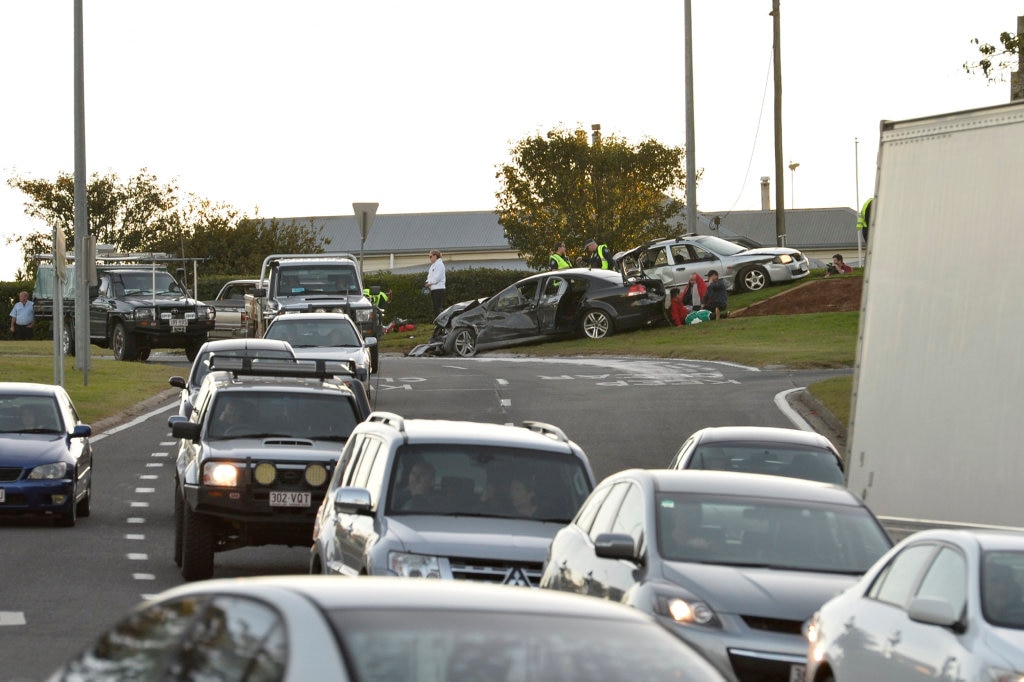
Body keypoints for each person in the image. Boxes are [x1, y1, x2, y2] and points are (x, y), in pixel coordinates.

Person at [424, 249, 446, 319]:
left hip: (439, 289)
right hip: (433, 289)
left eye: (430, 256)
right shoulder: (433, 265)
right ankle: (438, 323)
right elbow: (430, 276)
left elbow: (437, 278)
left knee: (438, 308)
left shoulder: (440, 264)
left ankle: (441, 324)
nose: (429, 258)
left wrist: (429, 283)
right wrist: (427, 282)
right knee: (436, 308)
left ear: (435, 256)